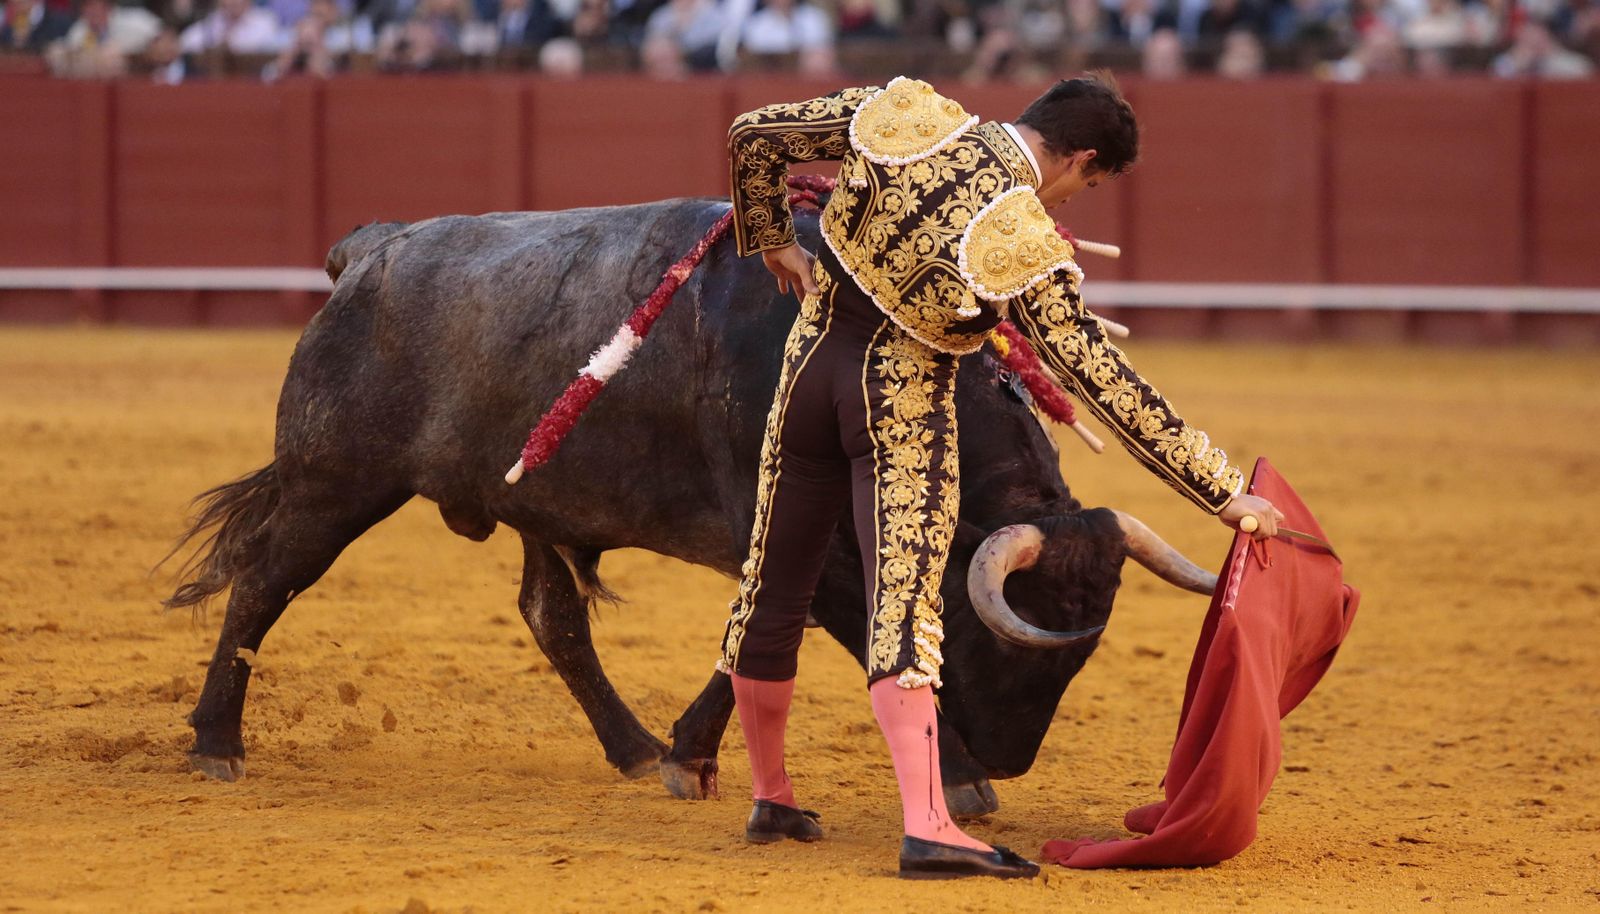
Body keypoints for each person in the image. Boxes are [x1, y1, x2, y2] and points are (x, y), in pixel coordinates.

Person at [719, 74, 1284, 880]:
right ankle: (928, 826)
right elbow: (1101, 379)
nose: (1073, 203)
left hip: (807, 370)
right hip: (897, 405)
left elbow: (754, 135)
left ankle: (770, 794)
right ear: (1081, 158)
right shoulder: (1019, 235)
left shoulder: (905, 115)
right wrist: (1221, 490)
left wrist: (771, 236)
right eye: (1087, 185)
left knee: (774, 585)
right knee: (904, 605)